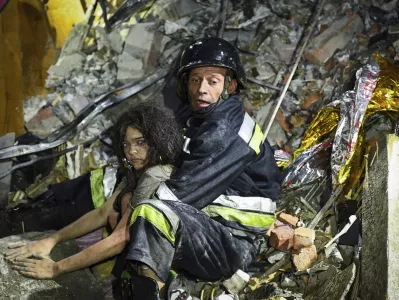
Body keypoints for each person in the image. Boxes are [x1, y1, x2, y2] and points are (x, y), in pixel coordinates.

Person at [124, 37, 281, 299]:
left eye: (212, 81)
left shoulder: (223, 129)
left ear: (230, 85)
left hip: (234, 241)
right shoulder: (198, 117)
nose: (201, 89)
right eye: (195, 79)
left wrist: (130, 213)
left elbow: (175, 197)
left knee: (151, 215)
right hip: (211, 226)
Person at [4, 103, 183, 282]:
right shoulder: (138, 171)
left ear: (159, 138)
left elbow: (121, 237)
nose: (131, 151)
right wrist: (52, 240)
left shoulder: (156, 174)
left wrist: (55, 268)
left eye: (140, 142)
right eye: (126, 144)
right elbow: (102, 213)